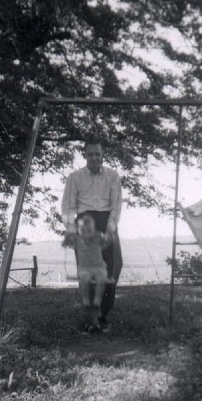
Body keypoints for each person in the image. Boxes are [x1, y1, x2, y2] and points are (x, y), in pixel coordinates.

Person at [61, 137, 123, 331]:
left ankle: (103, 315)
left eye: (98, 153)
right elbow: (68, 207)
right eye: (91, 154)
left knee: (113, 267)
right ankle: (91, 320)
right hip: (85, 223)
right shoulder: (74, 177)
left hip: (106, 221)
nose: (94, 157)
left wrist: (111, 228)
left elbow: (116, 205)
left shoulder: (113, 176)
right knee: (87, 270)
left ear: (103, 154)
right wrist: (72, 230)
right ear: (85, 155)